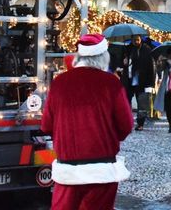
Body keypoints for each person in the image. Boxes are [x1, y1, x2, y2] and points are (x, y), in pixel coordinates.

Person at [42, 33, 133, 209]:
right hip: (102, 170)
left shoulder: (60, 83)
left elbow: (46, 125)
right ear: (103, 57)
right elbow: (125, 125)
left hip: (67, 170)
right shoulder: (111, 84)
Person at [126, 36, 155, 131]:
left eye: (137, 40)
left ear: (140, 39)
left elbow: (151, 67)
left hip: (143, 80)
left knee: (141, 102)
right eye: (134, 40)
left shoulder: (146, 50)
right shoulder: (129, 49)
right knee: (127, 101)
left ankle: (140, 123)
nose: (136, 42)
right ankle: (127, 121)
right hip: (130, 80)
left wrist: (151, 82)